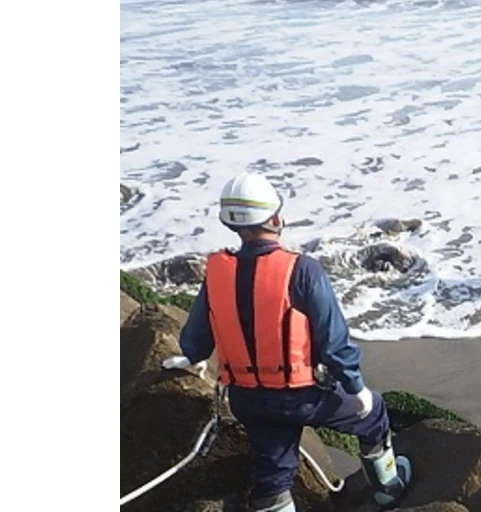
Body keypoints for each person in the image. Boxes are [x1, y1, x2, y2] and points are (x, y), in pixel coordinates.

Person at [161, 172, 412, 512]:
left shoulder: (218, 271)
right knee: (375, 413)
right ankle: (388, 488)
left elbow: (198, 333)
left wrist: (190, 357)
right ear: (276, 217)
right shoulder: (302, 270)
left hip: (247, 399)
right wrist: (356, 387)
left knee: (273, 474)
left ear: (230, 223)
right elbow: (334, 339)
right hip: (301, 396)